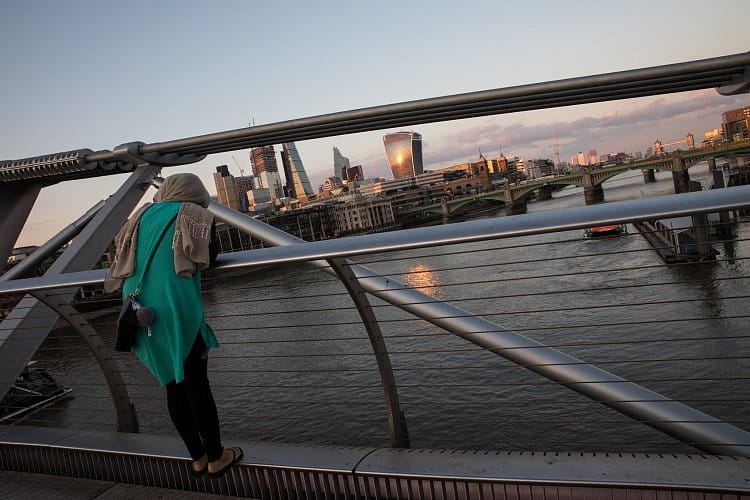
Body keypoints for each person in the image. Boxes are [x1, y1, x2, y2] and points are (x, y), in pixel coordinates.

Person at [105, 173, 242, 478]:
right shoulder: (194, 214)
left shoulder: (140, 216)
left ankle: (197, 457)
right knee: (196, 383)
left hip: (138, 307)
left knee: (172, 384)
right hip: (173, 304)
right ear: (196, 193)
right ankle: (217, 457)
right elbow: (208, 255)